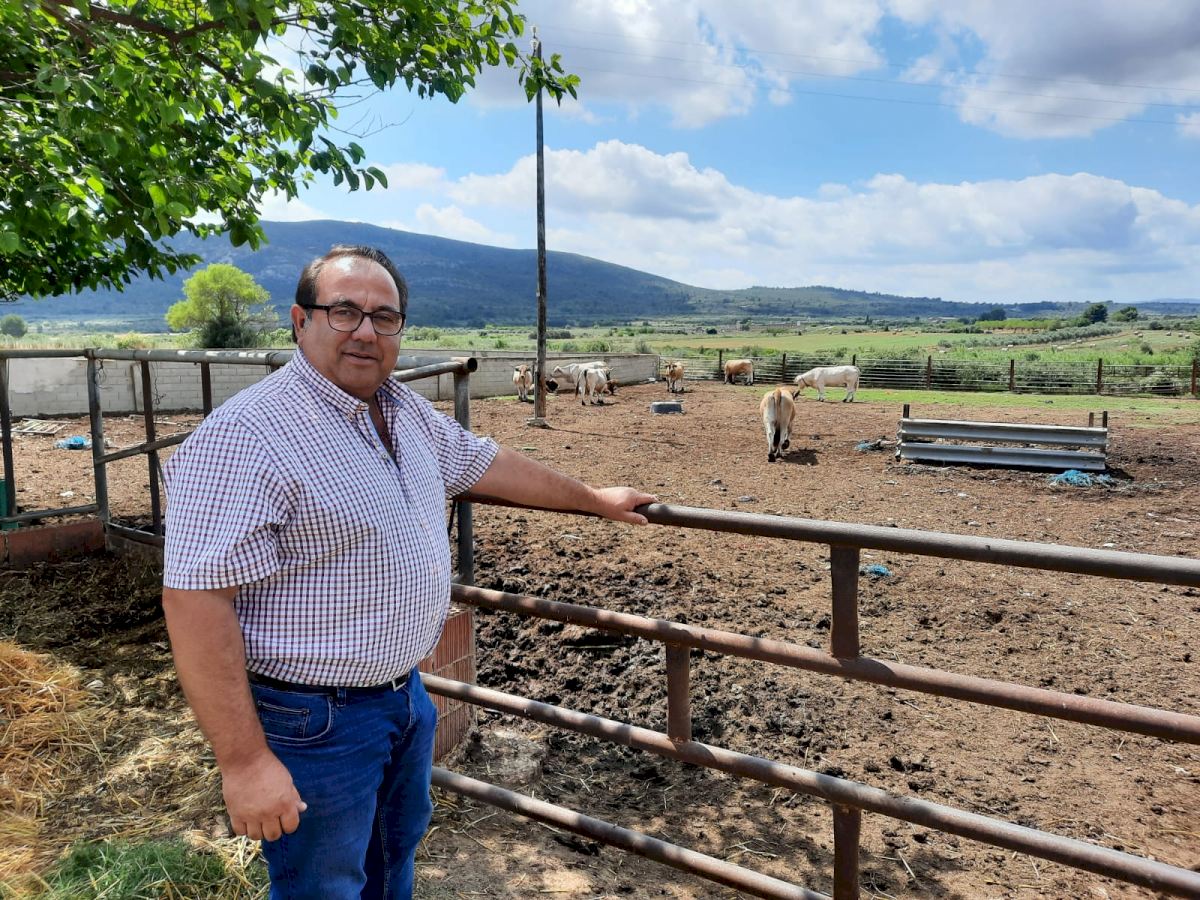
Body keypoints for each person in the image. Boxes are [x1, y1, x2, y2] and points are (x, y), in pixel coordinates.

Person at [161, 244, 656, 900]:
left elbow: (487, 462)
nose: (366, 332)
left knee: (393, 862)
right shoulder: (246, 436)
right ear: (300, 320)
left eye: (384, 317)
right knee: (324, 887)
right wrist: (245, 761)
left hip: (403, 698)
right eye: (344, 312)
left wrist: (591, 499)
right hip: (313, 720)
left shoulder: (402, 410)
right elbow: (196, 601)